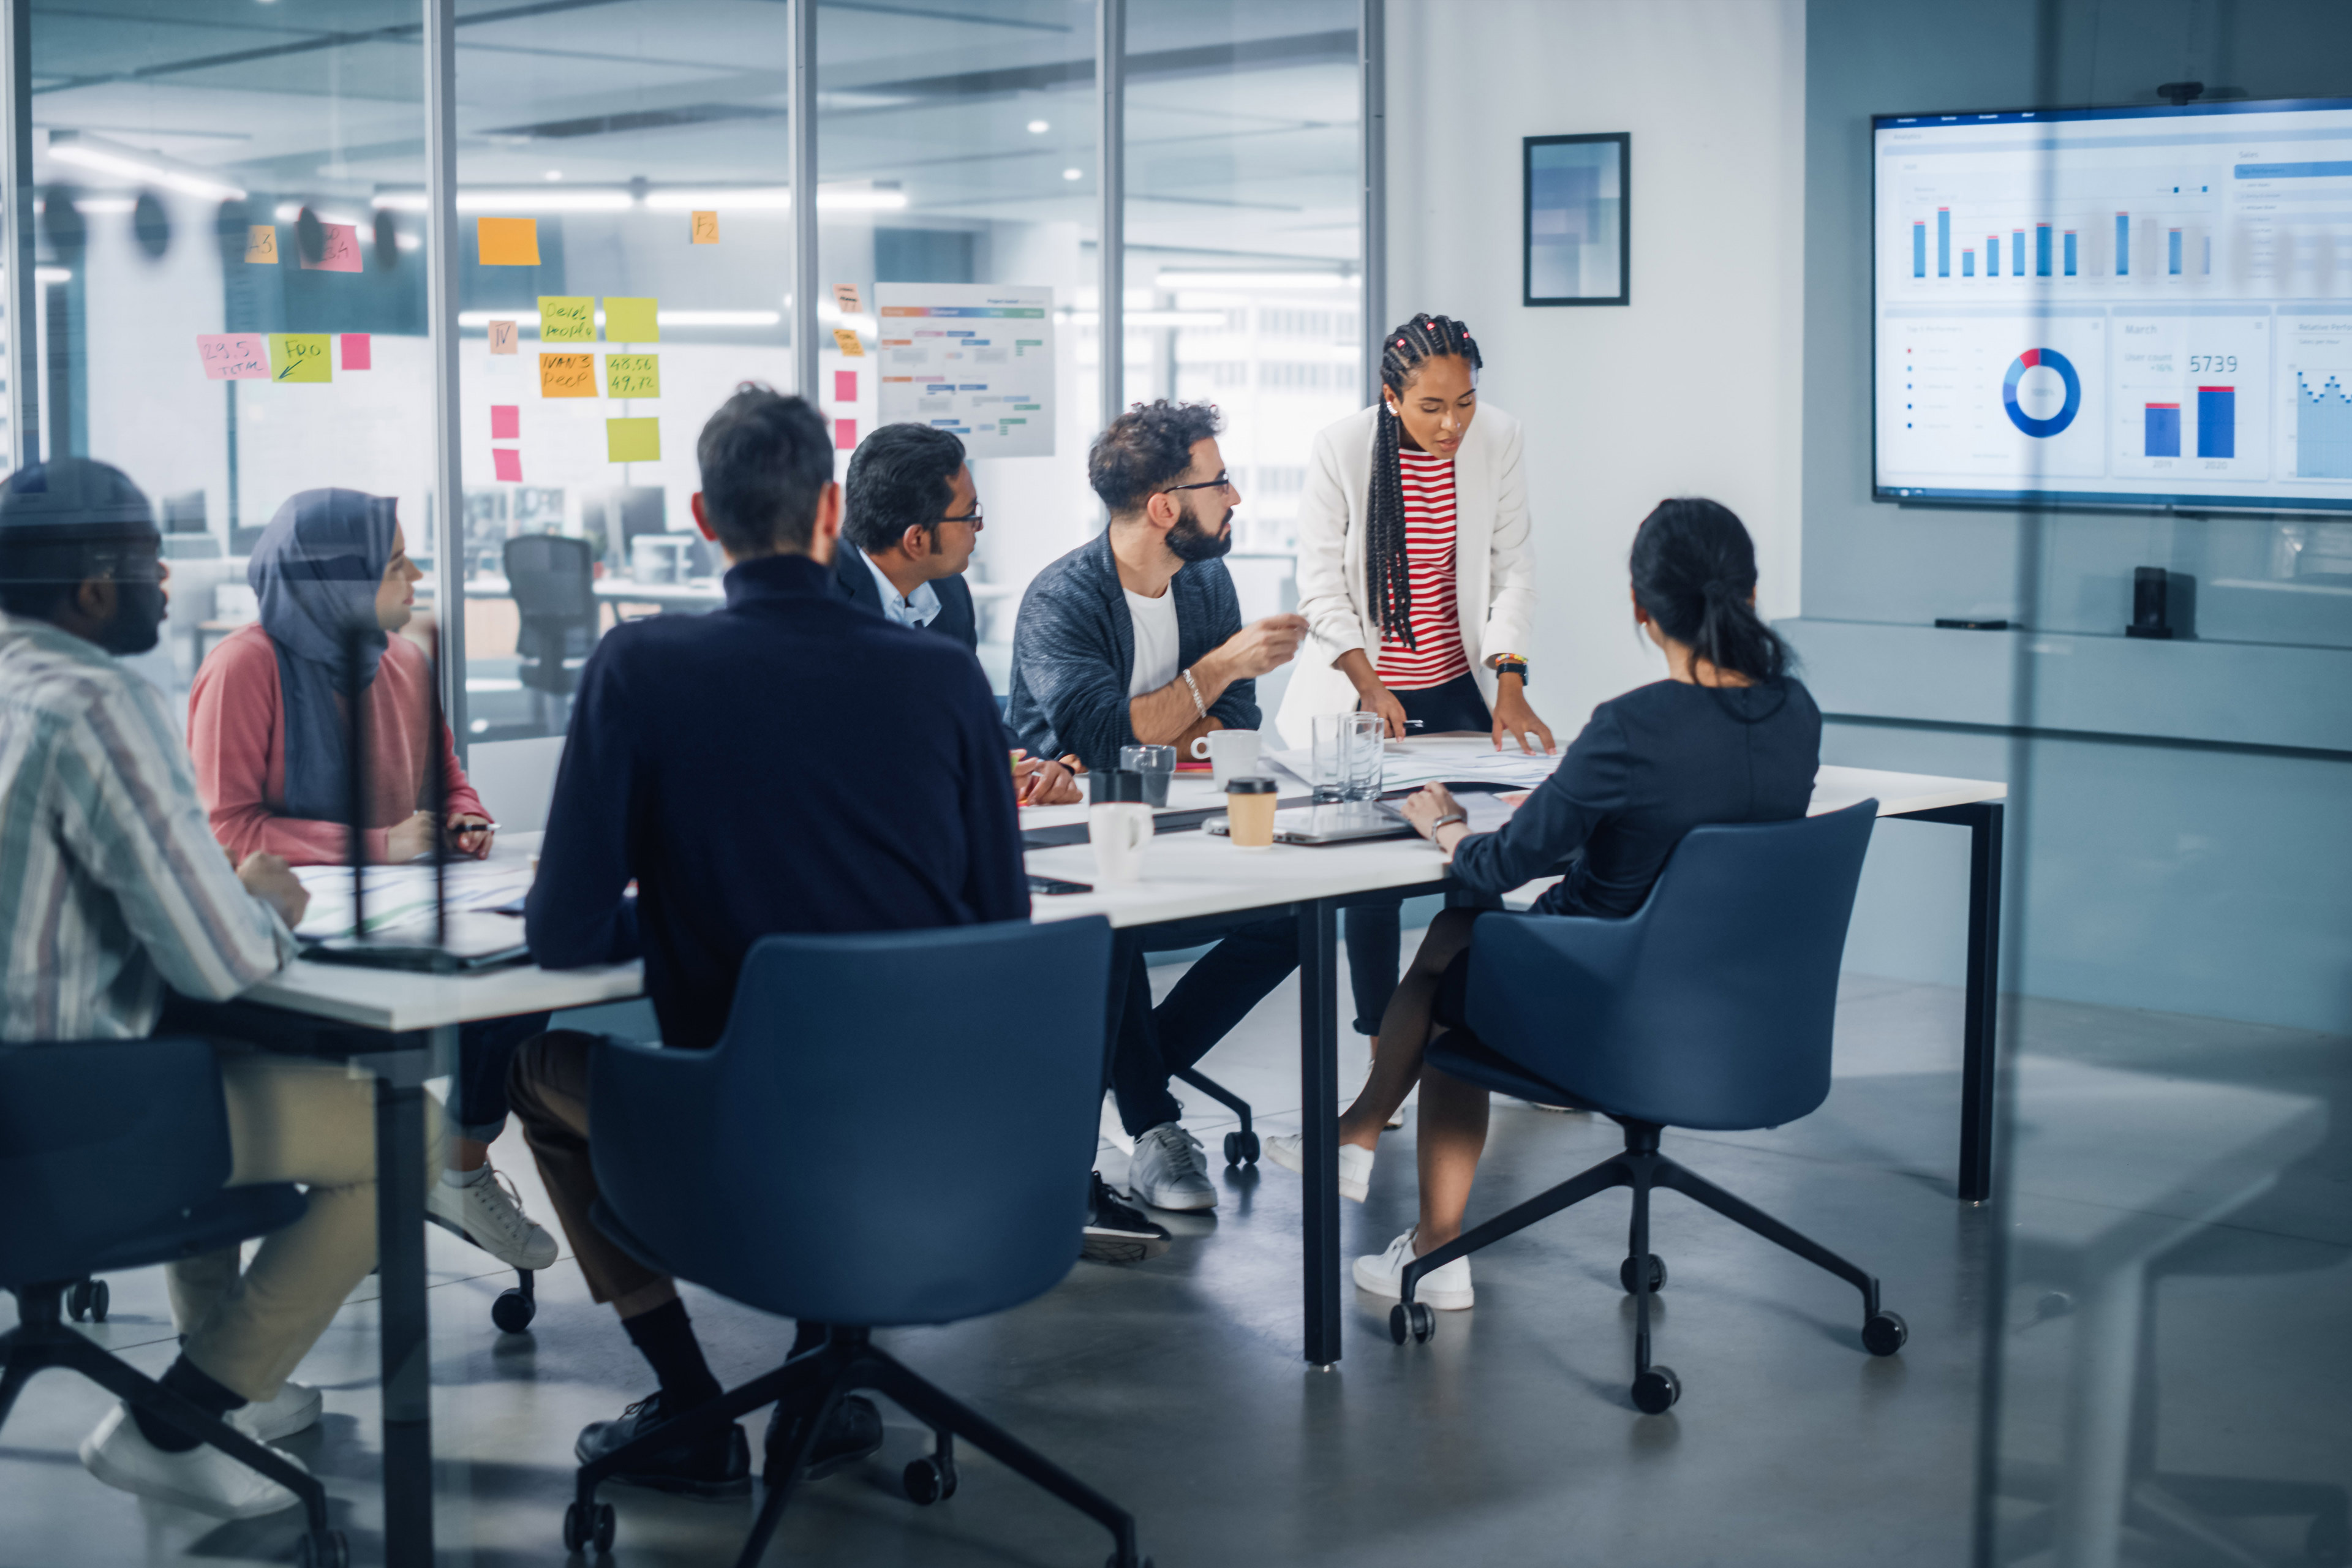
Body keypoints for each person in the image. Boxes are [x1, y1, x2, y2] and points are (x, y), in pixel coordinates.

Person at [505, 385, 1033, 1498]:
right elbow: (1001, 924)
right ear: (833, 512)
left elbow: (562, 938)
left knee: (527, 1068)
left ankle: (693, 1405)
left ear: (704, 518)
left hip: (744, 1128)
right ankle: (817, 1371)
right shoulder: (940, 675)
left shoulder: (641, 670)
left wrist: (697, 915)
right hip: (936, 1137)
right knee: (843, 1060)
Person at [0, 458, 442, 1519]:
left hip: (24, 1107)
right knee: (407, 1135)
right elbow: (223, 960)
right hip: (72, 1119)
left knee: (230, 1058)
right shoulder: (99, 704)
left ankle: (228, 1394)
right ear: (96, 588)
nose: (172, 583)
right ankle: (179, 1417)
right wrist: (256, 899)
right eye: (155, 566)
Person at [1266, 499, 1820, 1313]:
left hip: (1608, 1012)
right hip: (1741, 1014)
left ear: (1640, 607)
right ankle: (1355, 1137)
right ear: (1753, 592)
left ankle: (1430, 1241)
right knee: (1466, 940)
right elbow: (1699, 836)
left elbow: (1495, 869)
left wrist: (1447, 823)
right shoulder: (1795, 715)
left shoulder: (1633, 727)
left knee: (1463, 961)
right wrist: (1587, 814)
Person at [185, 490, 556, 1273]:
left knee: (526, 973)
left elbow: (446, 777)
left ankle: (455, 1167)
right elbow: (226, 830)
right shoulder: (244, 667)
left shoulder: (405, 661)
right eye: (395, 565)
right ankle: (398, 1176)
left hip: (395, 920)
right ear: (337, 585)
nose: (417, 575)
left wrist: (465, 818)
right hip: (286, 947)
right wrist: (374, 844)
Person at [1006, 400, 1310, 1212]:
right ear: (1166, 507)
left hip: (1176, 824)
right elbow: (1102, 740)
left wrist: (1157, 726)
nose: (1236, 498)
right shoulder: (1061, 600)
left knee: (1290, 921)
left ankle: (1120, 1075)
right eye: (1220, 483)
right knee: (1112, 929)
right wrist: (1208, 679)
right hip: (1073, 850)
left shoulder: (1206, 582)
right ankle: (1153, 1121)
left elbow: (1233, 729)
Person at [1276, 313, 1553, 1071]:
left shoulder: (1499, 436)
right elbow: (1321, 585)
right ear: (1392, 397)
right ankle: (1383, 1049)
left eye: (1463, 401)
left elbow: (1513, 566)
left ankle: (1496, 1034)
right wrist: (1369, 682)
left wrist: (1510, 676)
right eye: (1432, 407)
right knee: (1372, 884)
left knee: (1484, 864)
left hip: (1457, 681)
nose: (1453, 422)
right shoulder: (1341, 448)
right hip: (1361, 696)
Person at [837, 421, 1079, 805]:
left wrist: (1033, 767)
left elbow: (971, 718)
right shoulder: (818, 600)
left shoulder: (948, 591)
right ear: (916, 539)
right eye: (969, 515)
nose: (979, 527)